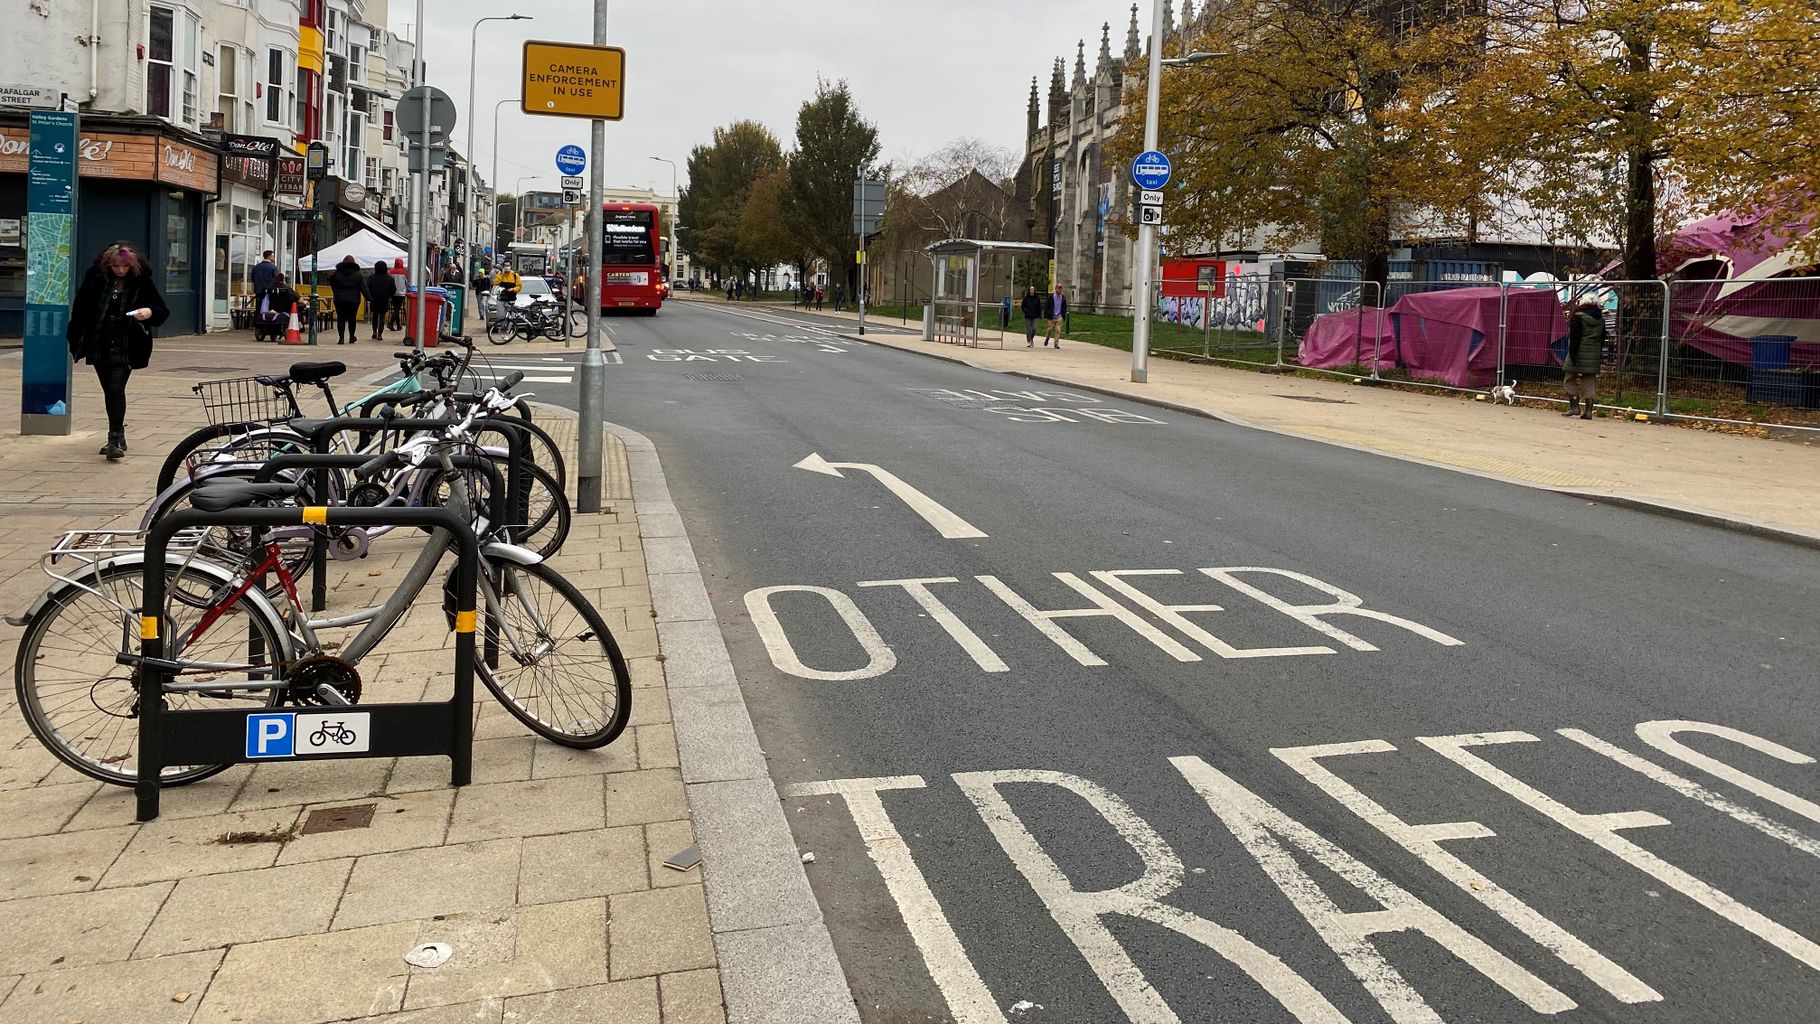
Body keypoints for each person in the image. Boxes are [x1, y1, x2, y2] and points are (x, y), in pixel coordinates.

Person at [65, 242, 168, 460]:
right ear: (107, 265)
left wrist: (148, 311)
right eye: (115, 267)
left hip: (127, 343)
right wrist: (74, 338)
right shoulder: (95, 281)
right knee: (109, 389)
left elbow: (161, 309)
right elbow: (80, 309)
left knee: (115, 386)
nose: (120, 271)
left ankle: (113, 439)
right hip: (99, 340)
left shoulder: (142, 284)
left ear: (132, 267)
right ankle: (119, 433)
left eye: (124, 268)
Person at [1563, 299, 1603, 419]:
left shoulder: (1577, 317)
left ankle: (1574, 407)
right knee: (1589, 381)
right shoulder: (1601, 319)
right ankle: (1589, 411)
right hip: (1593, 354)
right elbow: (1602, 338)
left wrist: (1573, 354)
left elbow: (1574, 338)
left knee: (1569, 379)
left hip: (1578, 352)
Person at [327, 255, 367, 345]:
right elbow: (363, 288)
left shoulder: (337, 273)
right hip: (353, 300)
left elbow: (333, 285)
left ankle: (341, 338)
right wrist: (369, 299)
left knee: (341, 319)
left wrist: (337, 293)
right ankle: (351, 337)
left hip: (339, 299)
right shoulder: (358, 274)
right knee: (352, 319)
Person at [366, 259, 398, 342]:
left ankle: (374, 332)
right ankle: (380, 333)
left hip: (374, 299)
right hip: (384, 299)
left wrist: (369, 297)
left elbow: (367, 288)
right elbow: (393, 289)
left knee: (375, 316)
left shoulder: (371, 278)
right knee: (382, 316)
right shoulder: (389, 278)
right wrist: (390, 296)